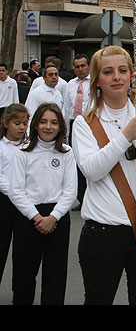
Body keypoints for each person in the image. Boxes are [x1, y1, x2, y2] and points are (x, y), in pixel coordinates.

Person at [71, 45, 136, 305]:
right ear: (97, 80)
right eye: (108, 72)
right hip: (103, 232)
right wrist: (125, 136)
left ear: (131, 76)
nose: (116, 77)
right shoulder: (84, 123)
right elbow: (92, 170)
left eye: (122, 70)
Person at [9, 103, 76, 304]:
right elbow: (16, 191)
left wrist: (53, 217)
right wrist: (37, 217)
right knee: (24, 274)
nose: (48, 127)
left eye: (54, 122)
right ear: (36, 124)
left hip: (57, 217)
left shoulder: (67, 152)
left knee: (55, 275)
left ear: (61, 126)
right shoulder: (22, 152)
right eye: (44, 121)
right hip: (29, 217)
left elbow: (70, 191)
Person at [0, 104, 29, 286]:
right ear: (5, 123)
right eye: (17, 123)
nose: (21, 127)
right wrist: (14, 191)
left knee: (23, 252)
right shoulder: (2, 147)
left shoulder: (28, 146)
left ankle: (21, 292)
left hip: (25, 203)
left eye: (25, 123)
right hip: (4, 201)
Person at [63, 54, 91, 211]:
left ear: (88, 66)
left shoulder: (95, 82)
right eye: (77, 66)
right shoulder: (70, 85)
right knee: (76, 164)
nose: (80, 69)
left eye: (83, 66)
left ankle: (92, 198)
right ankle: (81, 198)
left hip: (90, 124)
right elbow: (67, 109)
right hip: (75, 124)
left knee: (90, 161)